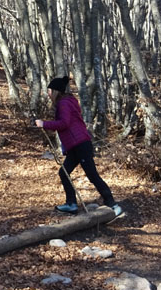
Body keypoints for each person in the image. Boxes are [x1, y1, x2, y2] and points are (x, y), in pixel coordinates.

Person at [35, 75, 123, 216]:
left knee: (92, 175)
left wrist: (44, 124)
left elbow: (64, 123)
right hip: (75, 146)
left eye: (50, 90)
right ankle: (71, 204)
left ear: (56, 91)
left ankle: (112, 204)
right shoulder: (67, 102)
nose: (48, 93)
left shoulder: (64, 104)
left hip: (80, 144)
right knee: (64, 173)